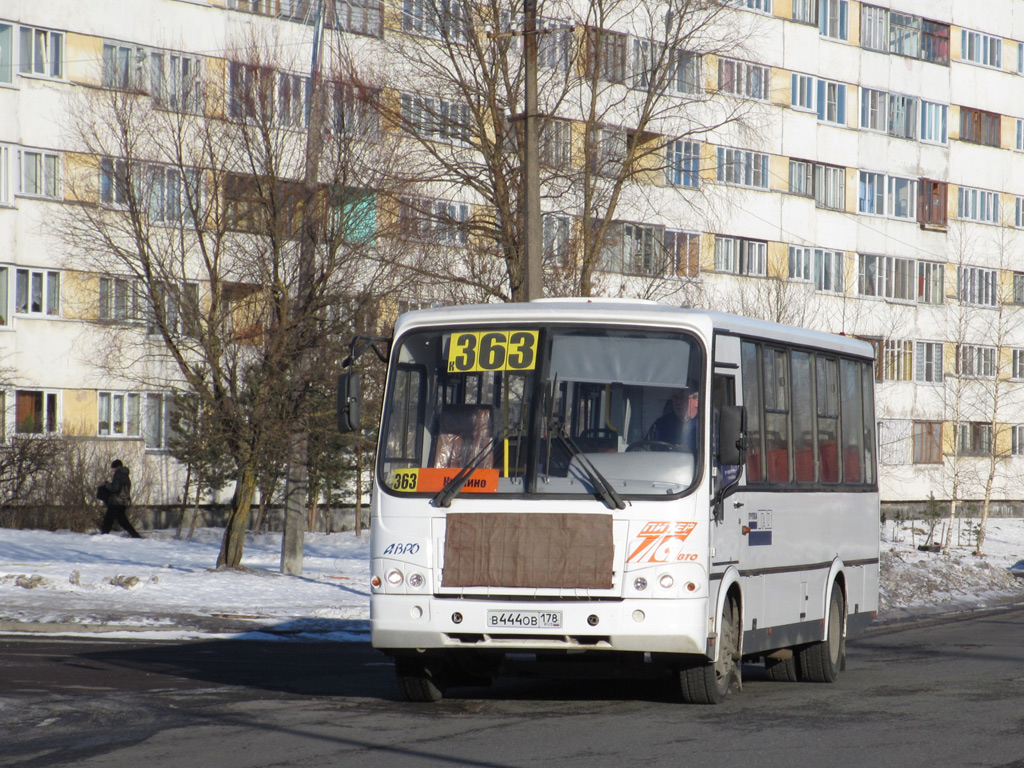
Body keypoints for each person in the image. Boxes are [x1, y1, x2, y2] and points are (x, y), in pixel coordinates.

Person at [98, 460, 142, 538]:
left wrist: (107, 485)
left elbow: (115, 488)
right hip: (124, 501)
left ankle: (104, 535)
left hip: (116, 501)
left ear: (116, 467)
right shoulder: (125, 475)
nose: (112, 470)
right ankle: (135, 535)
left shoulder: (118, 474)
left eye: (112, 468)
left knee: (109, 519)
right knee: (122, 521)